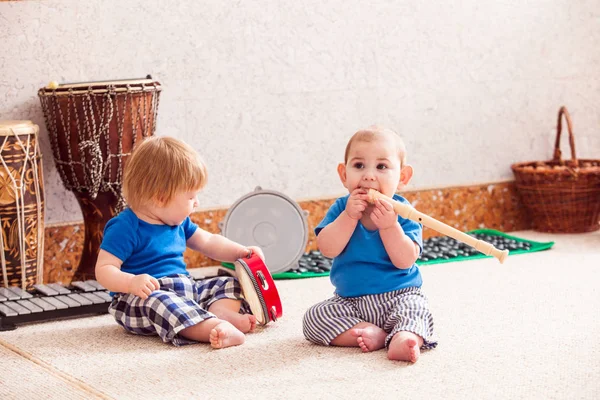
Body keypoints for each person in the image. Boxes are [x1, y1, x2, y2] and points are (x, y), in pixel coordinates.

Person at [95, 136, 264, 349]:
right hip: (140, 298)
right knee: (162, 302)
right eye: (190, 197)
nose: (197, 202)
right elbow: (104, 269)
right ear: (160, 197)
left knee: (229, 282)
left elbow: (209, 241)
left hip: (185, 290)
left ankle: (221, 313)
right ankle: (212, 328)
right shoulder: (125, 226)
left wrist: (241, 252)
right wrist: (131, 282)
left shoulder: (179, 223)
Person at [302, 126, 437, 363]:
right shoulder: (341, 209)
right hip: (351, 301)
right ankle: (371, 333)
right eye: (359, 166)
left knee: (417, 310)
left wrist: (389, 227)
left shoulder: (404, 213)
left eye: (382, 167)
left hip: (400, 295)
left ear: (402, 178)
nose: (369, 176)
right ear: (344, 175)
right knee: (314, 318)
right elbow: (327, 248)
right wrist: (348, 218)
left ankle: (403, 337)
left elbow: (405, 260)